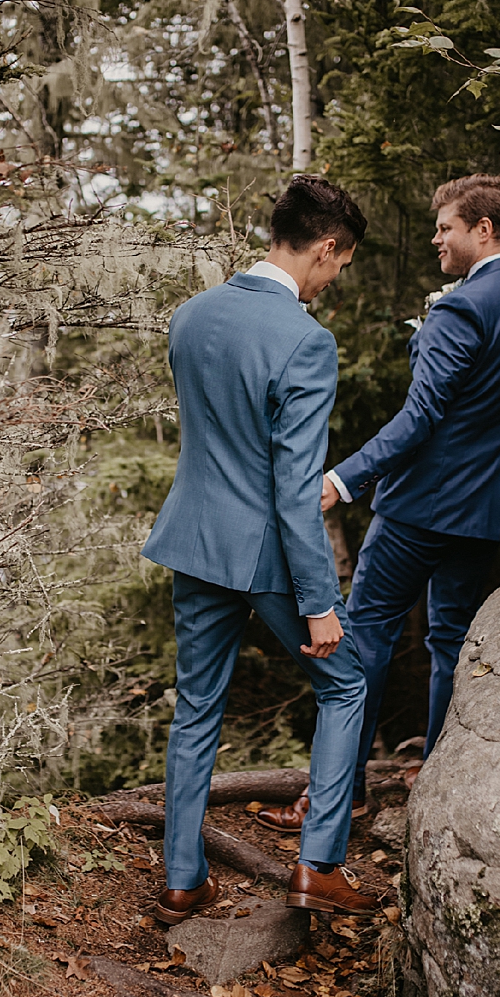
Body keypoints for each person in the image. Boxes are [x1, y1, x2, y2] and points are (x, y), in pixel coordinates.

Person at [255, 174, 500, 835]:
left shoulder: (457, 310)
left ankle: (343, 796)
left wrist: (342, 478)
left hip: (418, 510)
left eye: (445, 227)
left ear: (483, 230)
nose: (436, 239)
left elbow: (420, 417)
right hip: (486, 515)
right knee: (449, 641)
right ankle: (440, 777)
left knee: (363, 638)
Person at [142, 176, 379, 923]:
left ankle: (183, 878)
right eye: (339, 264)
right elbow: (291, 488)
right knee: (345, 686)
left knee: (196, 710)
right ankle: (319, 865)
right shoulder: (306, 341)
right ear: (325, 247)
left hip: (193, 540)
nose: (334, 278)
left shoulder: (189, 315)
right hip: (268, 556)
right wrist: (318, 604)